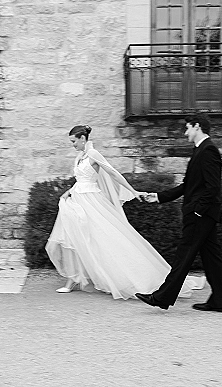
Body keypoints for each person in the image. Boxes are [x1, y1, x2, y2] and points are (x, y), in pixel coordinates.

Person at [45, 125, 204, 300]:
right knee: (77, 237)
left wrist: (133, 191)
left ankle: (135, 278)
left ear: (83, 138)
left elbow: (113, 173)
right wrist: (69, 191)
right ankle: (74, 278)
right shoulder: (79, 156)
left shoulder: (93, 154)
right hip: (78, 200)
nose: (72, 145)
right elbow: (82, 180)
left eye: (74, 141)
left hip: (92, 202)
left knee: (106, 239)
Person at [136, 113, 222, 312]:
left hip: (200, 215)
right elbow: (188, 186)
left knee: (184, 255)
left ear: (197, 127)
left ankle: (162, 297)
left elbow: (213, 187)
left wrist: (198, 212)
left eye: (187, 128)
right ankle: (220, 301)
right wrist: (159, 196)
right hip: (203, 214)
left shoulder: (208, 150)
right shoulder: (201, 150)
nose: (185, 132)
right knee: (212, 258)